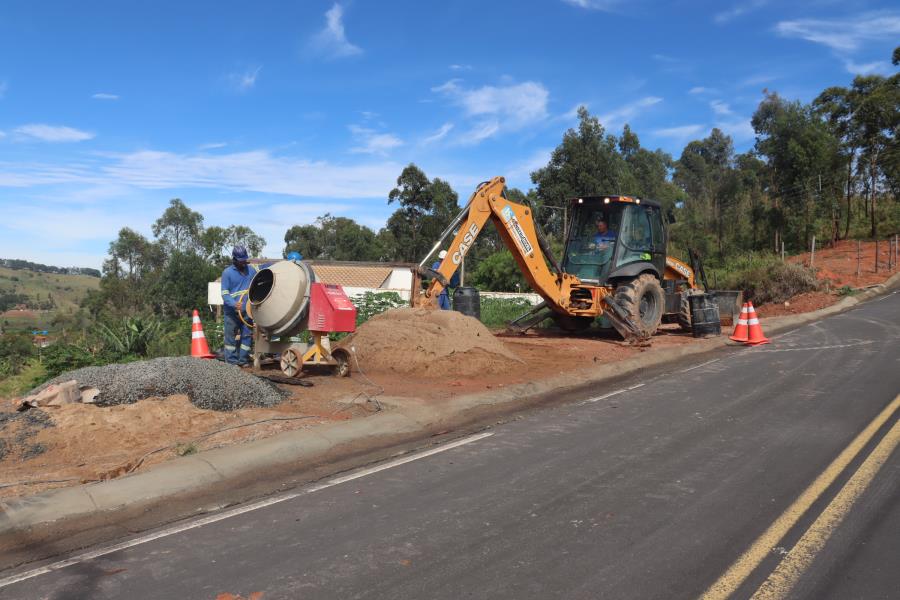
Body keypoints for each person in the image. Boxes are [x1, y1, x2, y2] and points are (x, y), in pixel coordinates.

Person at [221, 245, 260, 366]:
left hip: (247, 312)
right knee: (230, 338)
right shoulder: (227, 273)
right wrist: (233, 304)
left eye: (244, 260)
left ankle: (243, 360)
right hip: (231, 312)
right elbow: (224, 293)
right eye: (241, 260)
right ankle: (231, 363)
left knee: (247, 336)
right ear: (235, 259)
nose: (243, 262)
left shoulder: (251, 271)